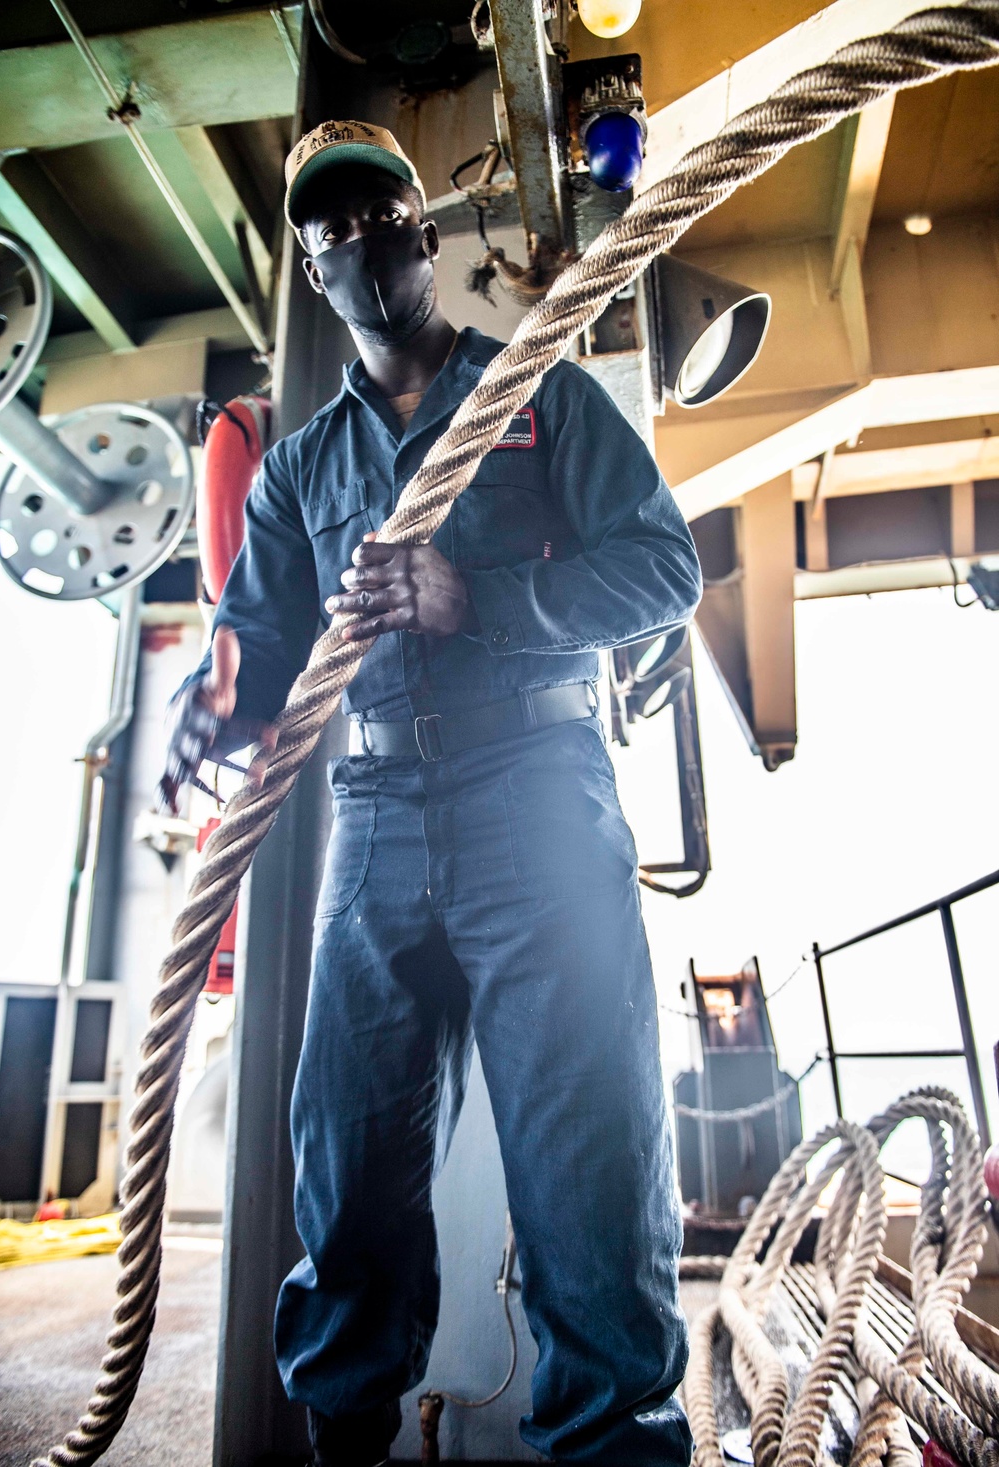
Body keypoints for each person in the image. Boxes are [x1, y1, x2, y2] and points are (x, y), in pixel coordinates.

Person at [161, 119, 702, 1467]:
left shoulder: (543, 394)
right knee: (343, 1183)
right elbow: (262, 647)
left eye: (374, 218)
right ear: (308, 265)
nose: (355, 245)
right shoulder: (297, 472)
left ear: (424, 229)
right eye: (326, 231)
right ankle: (344, 1436)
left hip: (541, 801)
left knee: (588, 1176)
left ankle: (620, 1441)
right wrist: (213, 700)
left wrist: (485, 598)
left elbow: (661, 575)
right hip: (376, 826)